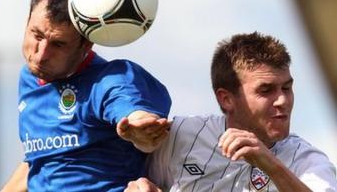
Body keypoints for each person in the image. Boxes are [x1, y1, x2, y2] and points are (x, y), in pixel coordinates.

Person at [0, 0, 172, 192]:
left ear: (86, 45)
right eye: (37, 35)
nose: (41, 54)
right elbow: (39, 161)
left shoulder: (110, 80)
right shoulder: (29, 79)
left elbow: (133, 113)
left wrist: (141, 131)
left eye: (58, 44)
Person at [125, 32, 337, 192]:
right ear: (226, 99)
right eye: (266, 90)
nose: (282, 100)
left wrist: (271, 165)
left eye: (287, 88)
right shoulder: (182, 136)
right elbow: (130, 177)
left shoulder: (307, 161)